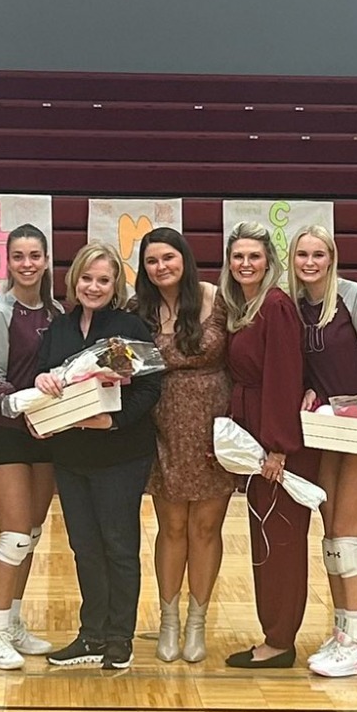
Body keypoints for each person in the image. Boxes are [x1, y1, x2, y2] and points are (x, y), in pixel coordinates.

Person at [34, 244, 164, 670]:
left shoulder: (130, 327)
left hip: (120, 456)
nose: (93, 287)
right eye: (86, 278)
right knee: (84, 547)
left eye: (103, 280)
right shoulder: (60, 327)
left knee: (119, 546)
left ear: (115, 285)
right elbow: (44, 378)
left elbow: (149, 389)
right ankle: (91, 634)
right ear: (74, 281)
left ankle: (118, 638)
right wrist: (43, 380)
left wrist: (115, 422)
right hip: (71, 456)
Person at [287, 224, 357, 678]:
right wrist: (310, 388)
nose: (310, 262)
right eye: (302, 255)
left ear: (331, 258)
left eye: (318, 254)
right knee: (331, 534)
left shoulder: (354, 296)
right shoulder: (295, 306)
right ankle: (341, 631)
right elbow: (311, 365)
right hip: (327, 428)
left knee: (349, 535)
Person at [132, 227, 231, 665]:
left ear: (185, 259)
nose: (161, 267)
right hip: (162, 425)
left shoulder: (218, 297)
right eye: (152, 261)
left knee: (206, 529)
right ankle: (168, 620)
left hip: (213, 425)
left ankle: (197, 621)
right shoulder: (138, 310)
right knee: (171, 529)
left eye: (168, 258)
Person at [220, 221, 316, 669]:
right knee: (265, 537)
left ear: (268, 262)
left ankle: (280, 640)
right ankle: (273, 634)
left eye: (253, 256)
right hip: (254, 434)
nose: (245, 264)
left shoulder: (275, 305)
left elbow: (283, 376)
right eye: (238, 257)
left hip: (277, 441)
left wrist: (278, 448)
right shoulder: (243, 307)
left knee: (281, 540)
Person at [0, 224, 63, 670]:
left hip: (46, 437)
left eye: (35, 255)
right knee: (11, 536)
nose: (27, 264)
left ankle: (12, 624)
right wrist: (23, 406)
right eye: (18, 257)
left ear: (46, 260)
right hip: (5, 434)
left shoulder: (58, 311)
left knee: (29, 535)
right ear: (7, 262)